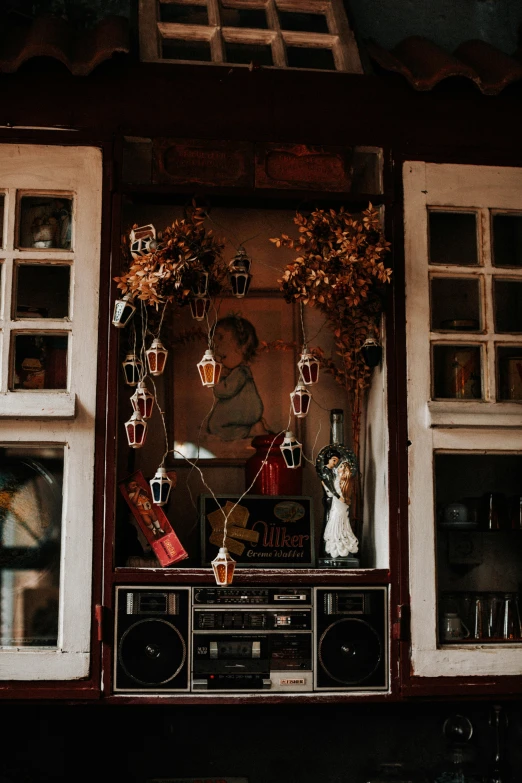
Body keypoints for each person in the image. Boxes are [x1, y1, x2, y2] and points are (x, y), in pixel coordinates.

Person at [207, 315, 267, 442]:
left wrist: (216, 380)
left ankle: (252, 430)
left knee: (216, 426)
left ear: (243, 349)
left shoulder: (240, 372)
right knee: (214, 425)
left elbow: (224, 391)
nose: (220, 361)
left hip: (244, 411)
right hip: (239, 410)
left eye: (223, 357)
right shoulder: (238, 372)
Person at [320, 451, 358, 559]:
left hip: (339, 506)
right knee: (337, 522)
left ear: (344, 470)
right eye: (336, 462)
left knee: (338, 523)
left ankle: (340, 546)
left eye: (340, 466)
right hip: (337, 505)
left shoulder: (340, 482)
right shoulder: (338, 479)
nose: (337, 466)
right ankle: (336, 545)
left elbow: (332, 491)